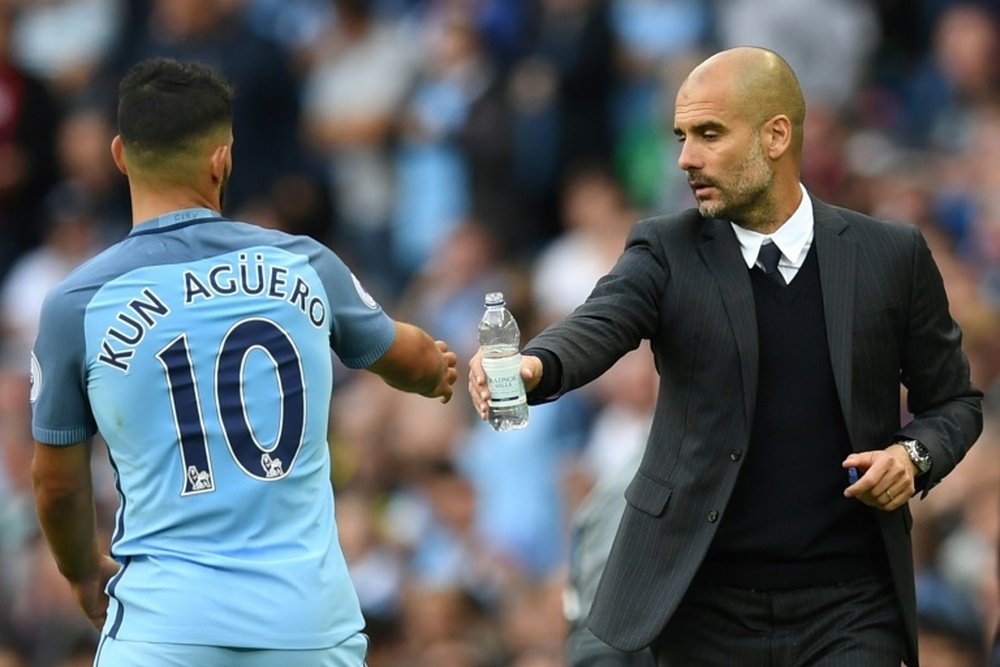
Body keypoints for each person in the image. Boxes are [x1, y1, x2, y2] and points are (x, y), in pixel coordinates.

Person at [468, 46, 984, 666]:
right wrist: (534, 366)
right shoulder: (666, 250)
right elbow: (597, 324)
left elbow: (954, 401)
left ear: (776, 135)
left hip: (852, 606)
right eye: (682, 136)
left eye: (709, 134)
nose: (686, 158)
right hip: (705, 608)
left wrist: (914, 455)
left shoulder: (890, 255)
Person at [30, 57, 457, 667]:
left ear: (120, 155)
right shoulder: (303, 263)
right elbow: (410, 358)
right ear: (221, 159)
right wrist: (434, 366)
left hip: (164, 629)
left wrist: (79, 573)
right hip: (308, 626)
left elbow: (57, 484)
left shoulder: (76, 305)